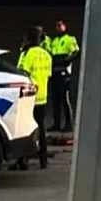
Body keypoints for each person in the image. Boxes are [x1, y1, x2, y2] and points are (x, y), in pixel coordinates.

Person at [10, 27, 52, 171]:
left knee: (25, 128)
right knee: (41, 127)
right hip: (43, 96)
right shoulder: (46, 54)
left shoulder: (27, 53)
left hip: (29, 96)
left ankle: (23, 160)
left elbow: (22, 73)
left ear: (28, 38)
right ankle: (43, 158)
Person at [47, 19, 80, 132]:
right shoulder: (54, 41)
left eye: (60, 25)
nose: (58, 27)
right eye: (56, 26)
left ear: (65, 26)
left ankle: (68, 124)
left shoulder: (69, 39)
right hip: (54, 72)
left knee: (64, 99)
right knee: (55, 99)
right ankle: (56, 124)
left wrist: (65, 60)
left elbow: (76, 53)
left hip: (63, 73)